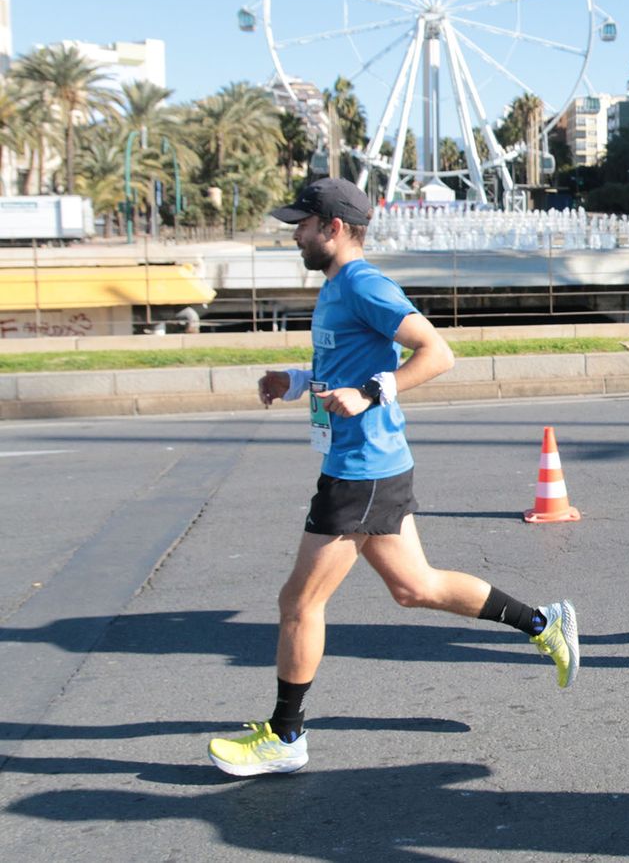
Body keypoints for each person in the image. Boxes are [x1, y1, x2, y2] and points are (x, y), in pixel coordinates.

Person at [207, 178, 578, 778]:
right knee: (415, 587)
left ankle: (285, 735)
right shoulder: (335, 288)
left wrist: (374, 392)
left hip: (364, 470)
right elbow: (346, 371)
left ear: (332, 227)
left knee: (299, 603)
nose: (294, 234)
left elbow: (437, 353)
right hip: (363, 464)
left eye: (301, 224)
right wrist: (298, 382)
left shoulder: (364, 284)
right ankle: (544, 622)